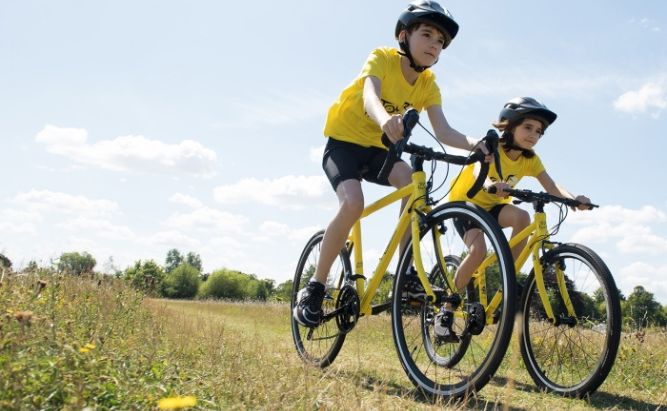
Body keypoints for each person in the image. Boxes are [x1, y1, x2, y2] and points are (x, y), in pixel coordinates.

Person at [293, 0, 488, 328]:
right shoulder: (382, 58)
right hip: (343, 145)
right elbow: (371, 95)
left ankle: (406, 273)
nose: (434, 45)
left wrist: (476, 145)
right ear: (403, 36)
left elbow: (444, 131)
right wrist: (386, 119)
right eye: (426, 35)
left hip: (379, 152)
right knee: (353, 203)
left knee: (414, 186)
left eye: (440, 42)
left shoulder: (428, 84)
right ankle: (314, 286)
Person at [444, 96, 592, 339]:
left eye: (539, 132)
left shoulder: (530, 159)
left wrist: (573, 198)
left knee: (523, 218)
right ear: (509, 125)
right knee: (478, 251)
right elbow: (480, 171)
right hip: (466, 204)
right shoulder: (491, 146)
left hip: (493, 206)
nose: (534, 135)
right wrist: (494, 183)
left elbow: (551, 185)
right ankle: (447, 307)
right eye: (528, 128)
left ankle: (507, 274)